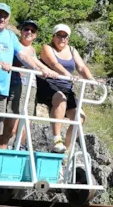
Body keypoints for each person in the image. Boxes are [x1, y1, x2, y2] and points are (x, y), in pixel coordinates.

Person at [0, 3, 45, 149]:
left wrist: (37, 69)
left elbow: (22, 54)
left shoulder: (11, 36)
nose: (1, 18)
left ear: (8, 18)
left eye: (4, 16)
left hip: (2, 89)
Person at [0, 19, 56, 150]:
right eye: (26, 29)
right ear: (21, 31)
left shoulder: (33, 49)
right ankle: (1, 151)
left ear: (35, 35)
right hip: (16, 86)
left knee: (26, 124)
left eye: (32, 30)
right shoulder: (15, 45)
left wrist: (49, 71)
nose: (29, 32)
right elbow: (25, 59)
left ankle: (19, 151)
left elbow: (34, 61)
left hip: (31, 88)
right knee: (11, 126)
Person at [38, 24, 95, 154]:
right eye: (59, 36)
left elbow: (81, 67)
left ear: (68, 39)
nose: (62, 39)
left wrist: (91, 79)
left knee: (79, 118)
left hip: (66, 87)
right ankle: (56, 138)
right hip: (49, 85)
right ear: (54, 37)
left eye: (65, 36)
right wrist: (68, 75)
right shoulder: (47, 48)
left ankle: (65, 150)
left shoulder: (72, 50)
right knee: (60, 99)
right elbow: (54, 64)